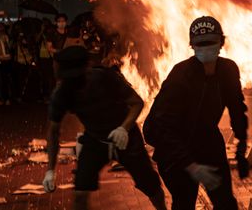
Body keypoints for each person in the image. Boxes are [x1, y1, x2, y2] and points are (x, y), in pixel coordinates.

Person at [143, 16, 249, 210]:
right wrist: (191, 166)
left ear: (221, 43)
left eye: (211, 42)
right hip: (174, 148)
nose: (206, 48)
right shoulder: (181, 75)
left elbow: (237, 107)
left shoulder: (228, 70)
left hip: (207, 139)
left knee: (225, 202)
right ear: (192, 46)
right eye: (200, 44)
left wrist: (241, 145)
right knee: (184, 203)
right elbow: (163, 127)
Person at [42, 45, 166, 210]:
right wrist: (50, 170)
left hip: (126, 139)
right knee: (80, 191)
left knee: (151, 186)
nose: (73, 83)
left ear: (85, 71)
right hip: (95, 140)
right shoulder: (63, 92)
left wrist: (123, 128)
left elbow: (136, 103)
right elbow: (53, 131)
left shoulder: (105, 78)